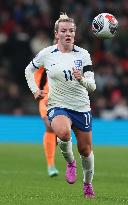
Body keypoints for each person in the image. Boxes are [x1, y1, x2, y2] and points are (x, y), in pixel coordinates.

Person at [25, 13, 96, 198]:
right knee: (63, 133)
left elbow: (93, 85)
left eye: (71, 30)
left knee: (86, 150)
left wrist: (82, 80)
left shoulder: (83, 54)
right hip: (57, 104)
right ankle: (70, 163)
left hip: (81, 106)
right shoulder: (47, 54)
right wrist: (34, 89)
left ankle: (87, 184)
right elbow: (29, 70)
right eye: (63, 30)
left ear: (75, 33)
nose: (68, 34)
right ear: (56, 34)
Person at [34, 66, 59, 177]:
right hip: (47, 98)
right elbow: (32, 71)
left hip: (65, 100)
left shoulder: (71, 59)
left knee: (60, 133)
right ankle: (50, 165)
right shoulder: (45, 58)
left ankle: (56, 143)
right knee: (50, 127)